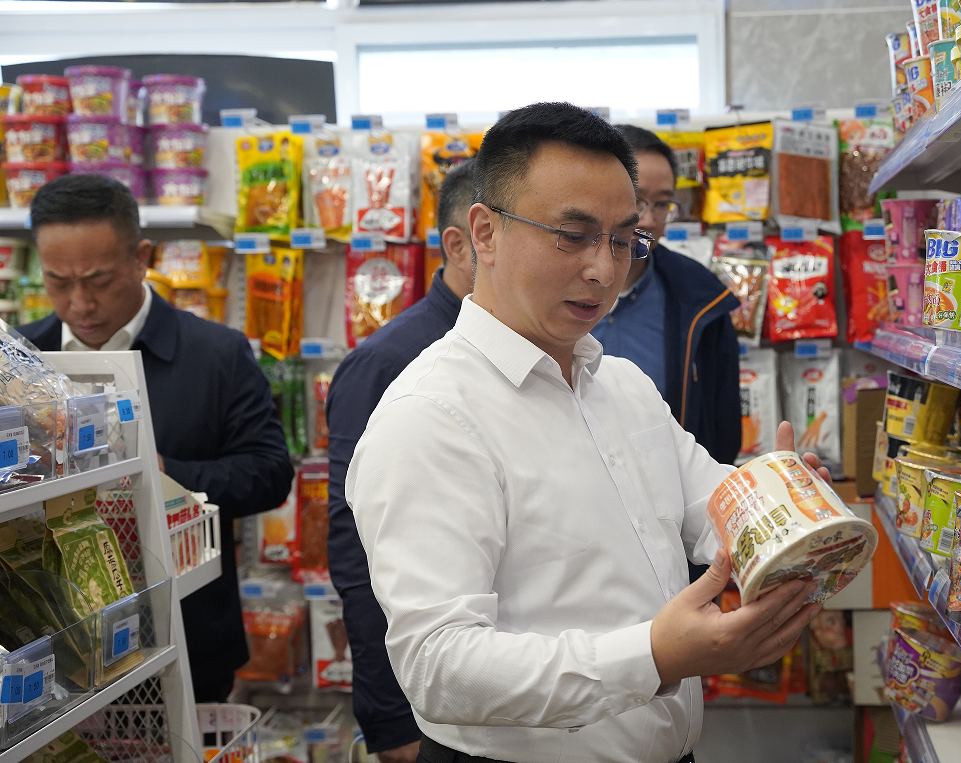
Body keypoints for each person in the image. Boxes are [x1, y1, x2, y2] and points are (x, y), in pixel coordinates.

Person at [348, 103, 826, 763]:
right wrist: (654, 656)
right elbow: (439, 665)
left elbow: (712, 507)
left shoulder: (623, 386)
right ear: (484, 233)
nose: (604, 269)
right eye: (572, 236)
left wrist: (786, 509)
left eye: (624, 240)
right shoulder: (429, 415)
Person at [19, 174, 294, 702]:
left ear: (142, 257)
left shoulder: (216, 353)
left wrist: (164, 474)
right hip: (52, 649)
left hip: (187, 636)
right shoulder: (21, 359)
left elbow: (269, 473)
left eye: (99, 281)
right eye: (58, 281)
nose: (79, 303)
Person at [326, 160, 476, 763]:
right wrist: (389, 718)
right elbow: (356, 546)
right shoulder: (388, 362)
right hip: (427, 703)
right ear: (462, 245)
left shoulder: (550, 353)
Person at [591, 124, 741, 466]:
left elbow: (723, 428)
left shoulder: (702, 299)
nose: (648, 220)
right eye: (636, 200)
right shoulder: (549, 289)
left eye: (661, 205)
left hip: (672, 489)